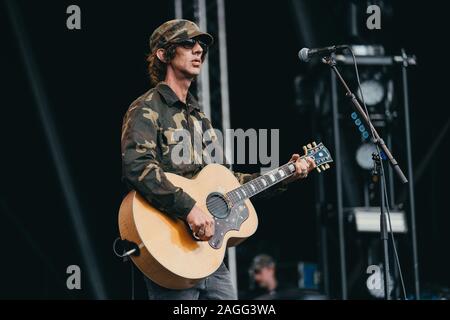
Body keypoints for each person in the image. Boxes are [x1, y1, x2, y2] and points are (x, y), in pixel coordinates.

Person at [120, 19, 316, 300]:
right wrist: (189, 209)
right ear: (163, 54)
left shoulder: (200, 119)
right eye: (188, 44)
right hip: (170, 245)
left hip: (207, 251)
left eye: (201, 45)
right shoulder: (147, 107)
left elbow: (228, 182)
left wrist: (286, 174)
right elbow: (137, 167)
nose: (198, 49)